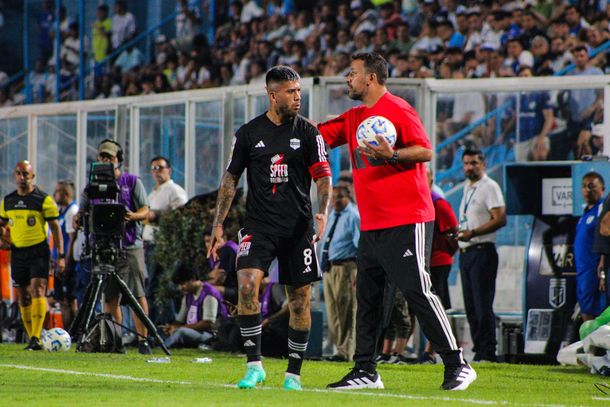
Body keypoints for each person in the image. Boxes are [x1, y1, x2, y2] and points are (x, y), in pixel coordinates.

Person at [317, 52, 475, 391]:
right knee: (369, 297)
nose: (347, 78)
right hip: (372, 225)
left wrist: (392, 155)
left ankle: (457, 363)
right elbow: (319, 135)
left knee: (417, 289)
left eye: (352, 72)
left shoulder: (399, 109)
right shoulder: (354, 117)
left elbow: (425, 150)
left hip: (407, 219)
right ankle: (365, 371)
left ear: (371, 78)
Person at [208, 65, 332, 391]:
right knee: (247, 285)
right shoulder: (248, 133)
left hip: (298, 229)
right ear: (272, 94)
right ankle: (255, 366)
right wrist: (218, 224)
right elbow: (230, 180)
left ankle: (293, 375)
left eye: (299, 91)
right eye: (291, 92)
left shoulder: (309, 132)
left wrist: (323, 214)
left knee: (300, 300)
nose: (298, 97)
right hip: (258, 227)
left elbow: (323, 177)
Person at [76, 140, 152, 354]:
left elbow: (146, 209)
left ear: (119, 159)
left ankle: (143, 341)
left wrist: (133, 215)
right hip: (102, 246)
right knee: (110, 297)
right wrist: (78, 219)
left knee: (137, 294)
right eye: (102, 157)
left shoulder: (131, 181)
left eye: (110, 157)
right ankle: (115, 340)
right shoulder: (91, 188)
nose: (105, 160)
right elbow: (81, 212)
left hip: (129, 245)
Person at [0, 161, 65, 350]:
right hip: (18, 252)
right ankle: (31, 336)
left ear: (32, 176)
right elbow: (2, 224)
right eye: (19, 174)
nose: (22, 177)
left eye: (26, 174)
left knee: (38, 290)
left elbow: (55, 228)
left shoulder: (43, 200)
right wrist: (3, 239)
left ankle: (36, 336)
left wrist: (60, 255)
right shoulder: (8, 201)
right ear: (15, 176)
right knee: (23, 296)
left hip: (38, 251)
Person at [457, 148, 507, 363]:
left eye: (474, 163)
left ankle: (488, 351)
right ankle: (479, 350)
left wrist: (474, 233)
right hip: (466, 251)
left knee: (482, 303)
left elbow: (500, 218)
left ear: (483, 164)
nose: (470, 167)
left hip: (482, 250)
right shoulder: (469, 188)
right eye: (467, 163)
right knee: (470, 305)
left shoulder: (490, 187)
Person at [418, 166, 459, 364]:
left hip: (438, 262)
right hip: (424, 261)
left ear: (432, 181)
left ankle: (431, 351)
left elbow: (453, 232)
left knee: (436, 305)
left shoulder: (439, 203)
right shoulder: (420, 201)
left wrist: (445, 254)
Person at [143, 156, 187, 324]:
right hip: (149, 245)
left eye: (160, 167)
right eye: (153, 168)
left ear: (169, 170)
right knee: (152, 287)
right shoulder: (153, 192)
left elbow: (182, 215)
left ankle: (163, 325)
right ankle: (152, 325)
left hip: (164, 246)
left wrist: (157, 216)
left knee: (161, 286)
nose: (156, 171)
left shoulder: (174, 190)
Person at [321, 184, 360, 362]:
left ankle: (346, 351)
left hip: (345, 267)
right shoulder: (333, 215)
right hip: (330, 267)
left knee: (346, 310)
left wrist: (358, 273)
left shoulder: (353, 216)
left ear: (348, 197)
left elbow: (360, 245)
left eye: (339, 197)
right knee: (333, 311)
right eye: (333, 197)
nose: (335, 201)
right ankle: (339, 349)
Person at [162, 262, 227, 349]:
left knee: (181, 332)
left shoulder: (209, 294)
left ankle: (163, 348)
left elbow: (208, 324)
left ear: (192, 279)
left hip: (210, 335)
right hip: (194, 331)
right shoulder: (188, 295)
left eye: (183, 284)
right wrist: (170, 327)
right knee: (162, 330)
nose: (181, 287)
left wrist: (177, 328)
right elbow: (179, 320)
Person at [575, 172, 606, 320]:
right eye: (584, 186)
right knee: (586, 313)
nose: (587, 189)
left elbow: (606, 239)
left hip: (594, 271)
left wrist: (602, 267)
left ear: (602, 189)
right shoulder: (585, 214)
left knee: (596, 315)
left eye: (591, 186)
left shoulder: (603, 210)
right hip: (583, 272)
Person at [51, 180, 79, 330]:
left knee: (71, 300)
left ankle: (74, 332)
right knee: (61, 300)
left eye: (57, 192)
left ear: (66, 194)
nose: (54, 195)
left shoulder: (72, 211)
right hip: (58, 262)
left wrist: (66, 263)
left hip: (68, 264)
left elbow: (72, 239)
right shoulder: (60, 211)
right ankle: (67, 332)